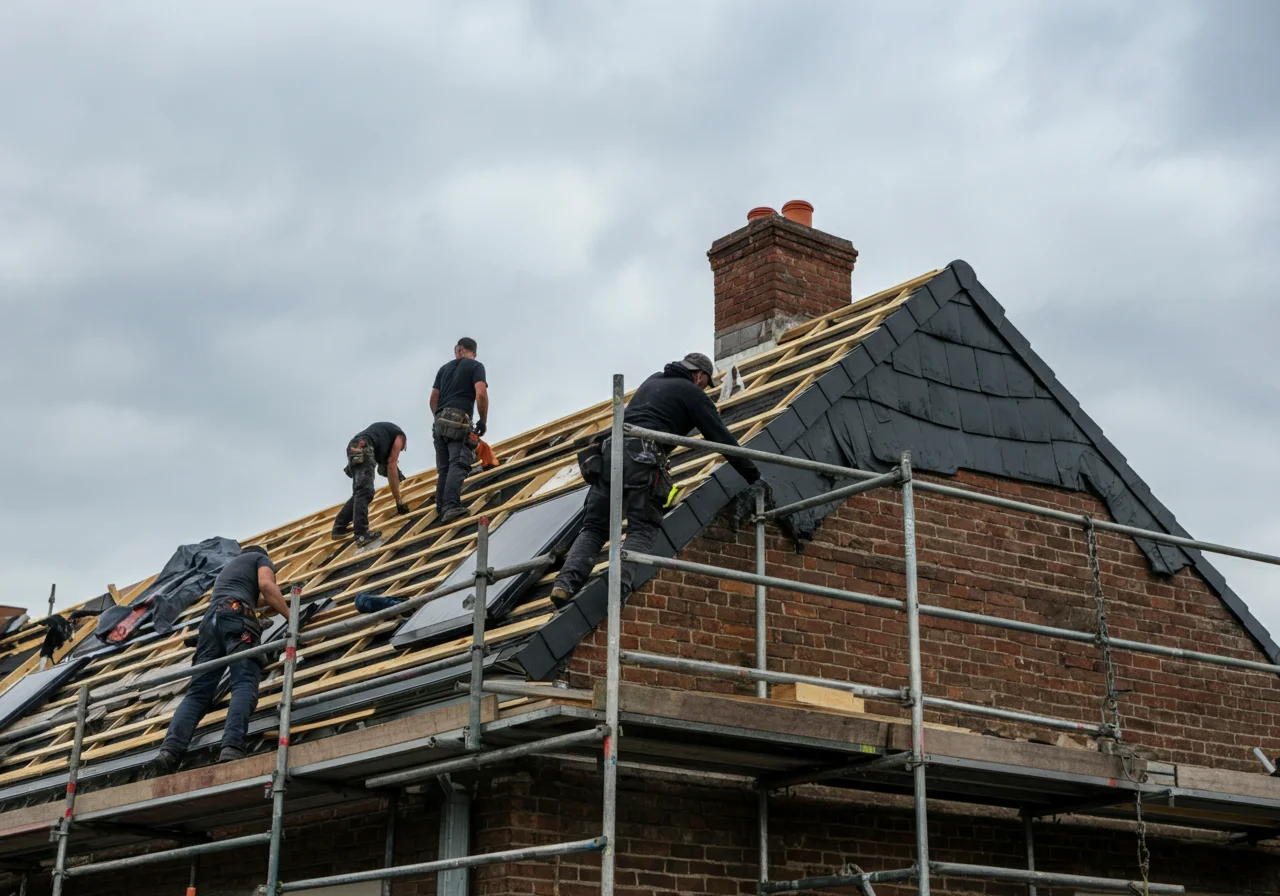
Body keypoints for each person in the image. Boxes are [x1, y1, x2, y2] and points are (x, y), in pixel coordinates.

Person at [548, 352, 761, 607]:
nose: (705, 388)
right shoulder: (693, 394)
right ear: (699, 375)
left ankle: (564, 585)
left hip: (608, 455)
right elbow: (723, 440)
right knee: (643, 526)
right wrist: (754, 475)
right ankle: (618, 587)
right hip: (643, 457)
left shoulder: (652, 380)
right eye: (706, 382)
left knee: (594, 528)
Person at [149, 546, 291, 773]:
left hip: (210, 623)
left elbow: (261, 599)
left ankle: (169, 752)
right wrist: (290, 617)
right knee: (244, 681)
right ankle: (232, 746)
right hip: (236, 616)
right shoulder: (260, 558)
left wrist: (279, 601)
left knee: (198, 693)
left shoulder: (230, 572)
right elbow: (266, 585)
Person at [430, 337, 489, 524]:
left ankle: (441, 508)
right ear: (473, 352)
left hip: (439, 421)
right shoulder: (475, 366)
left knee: (444, 468)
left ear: (459, 349)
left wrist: (440, 418)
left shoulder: (443, 369)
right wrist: (483, 421)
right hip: (459, 418)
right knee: (459, 462)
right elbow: (480, 394)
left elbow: (433, 399)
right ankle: (450, 507)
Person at [332, 422, 409, 546]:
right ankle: (362, 534)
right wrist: (399, 501)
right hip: (363, 446)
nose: (399, 451)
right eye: (401, 449)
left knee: (359, 492)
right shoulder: (400, 437)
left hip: (354, 446)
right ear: (404, 443)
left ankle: (339, 527)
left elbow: (387, 467)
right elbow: (391, 465)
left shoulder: (383, 439)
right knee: (365, 491)